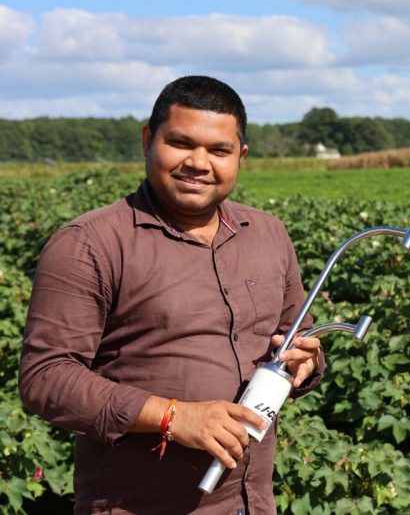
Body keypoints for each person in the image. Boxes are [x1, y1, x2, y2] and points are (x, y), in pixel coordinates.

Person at [18, 75, 324, 514]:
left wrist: (306, 361)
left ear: (240, 156)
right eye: (181, 143)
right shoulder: (91, 243)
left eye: (219, 151)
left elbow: (300, 338)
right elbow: (45, 378)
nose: (199, 163)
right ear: (148, 140)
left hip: (250, 503)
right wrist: (173, 416)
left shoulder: (268, 235)